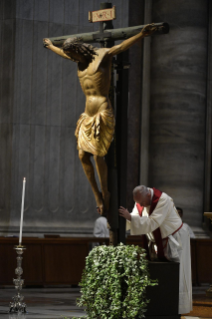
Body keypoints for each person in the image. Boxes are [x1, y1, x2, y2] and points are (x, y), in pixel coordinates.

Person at [43, 24, 157, 215]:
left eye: (74, 54)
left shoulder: (102, 55)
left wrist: (140, 34)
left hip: (102, 111)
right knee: (82, 155)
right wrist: (50, 46)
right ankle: (97, 195)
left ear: (81, 50)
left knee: (97, 155)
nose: (72, 58)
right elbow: (64, 54)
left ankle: (105, 192)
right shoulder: (78, 61)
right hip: (87, 114)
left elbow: (120, 48)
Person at [119, 185, 192, 315]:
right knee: (161, 274)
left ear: (148, 195)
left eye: (141, 202)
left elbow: (153, 222)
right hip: (157, 240)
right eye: (138, 203)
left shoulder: (163, 199)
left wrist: (130, 218)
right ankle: (161, 304)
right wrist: (124, 218)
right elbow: (135, 217)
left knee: (178, 274)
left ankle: (176, 308)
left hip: (174, 240)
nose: (140, 205)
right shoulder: (141, 201)